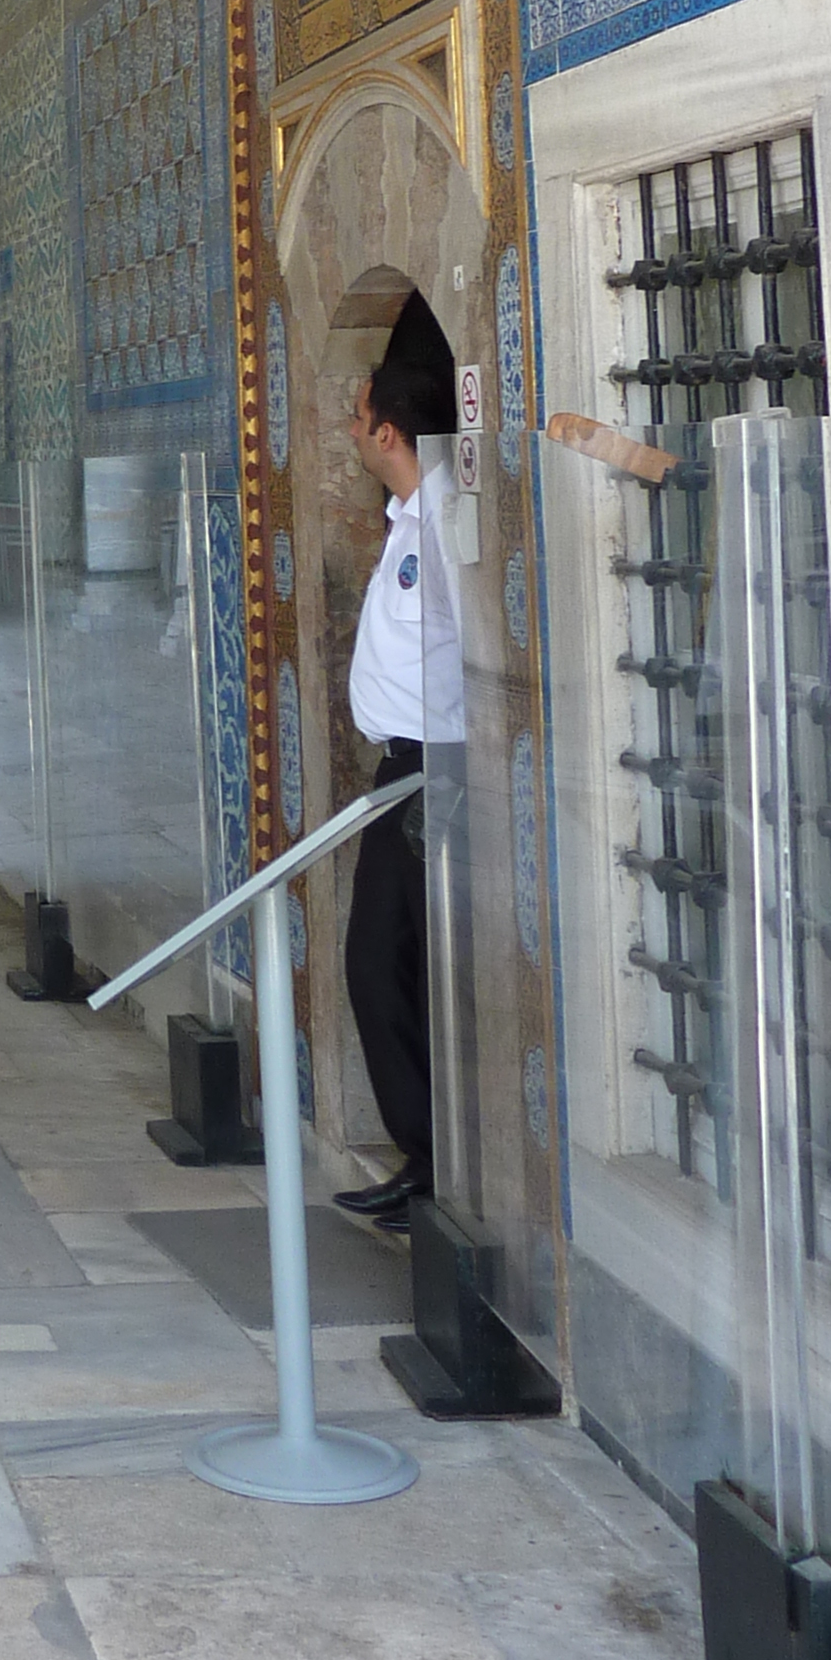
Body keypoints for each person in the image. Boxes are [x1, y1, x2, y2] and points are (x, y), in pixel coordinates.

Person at [332, 295, 458, 1233]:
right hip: (403, 774)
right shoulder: (409, 516)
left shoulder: (446, 526)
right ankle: (429, 1156)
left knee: (378, 964)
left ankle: (433, 1159)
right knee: (394, 968)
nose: (350, 424)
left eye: (358, 409)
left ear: (385, 430)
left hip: (434, 778)